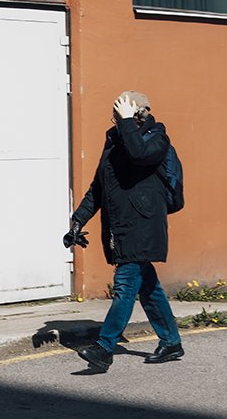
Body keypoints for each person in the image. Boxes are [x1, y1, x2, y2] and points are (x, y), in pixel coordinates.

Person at [63, 91, 184, 373]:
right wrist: (77, 221)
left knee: (126, 285)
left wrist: (127, 121)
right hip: (120, 226)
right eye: (115, 116)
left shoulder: (157, 138)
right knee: (148, 288)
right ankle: (171, 341)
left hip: (144, 226)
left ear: (137, 114)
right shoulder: (115, 142)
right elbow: (98, 188)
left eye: (119, 115)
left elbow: (140, 155)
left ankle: (104, 347)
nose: (115, 120)